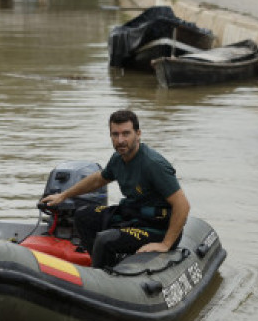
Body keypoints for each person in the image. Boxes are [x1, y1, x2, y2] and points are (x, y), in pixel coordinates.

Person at [41, 110, 190, 269]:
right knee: (83, 215)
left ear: (138, 134)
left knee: (106, 240)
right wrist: (64, 195)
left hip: (156, 227)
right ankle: (105, 266)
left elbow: (182, 205)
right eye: (115, 134)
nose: (120, 140)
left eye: (126, 134)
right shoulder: (118, 158)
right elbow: (99, 179)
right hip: (132, 215)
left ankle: (101, 276)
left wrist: (166, 244)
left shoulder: (153, 164)